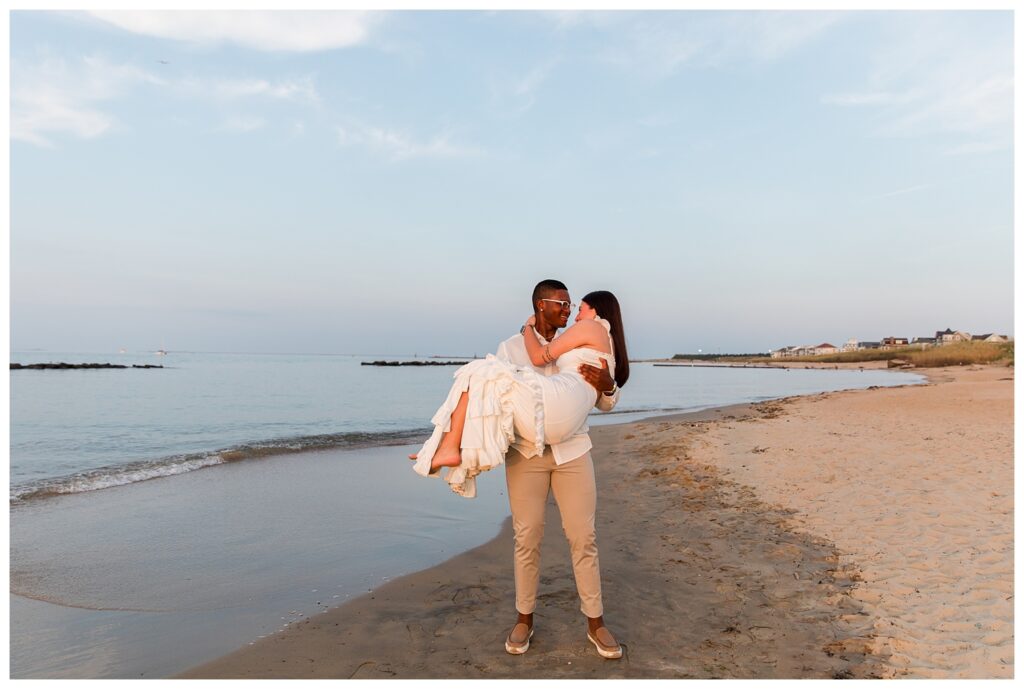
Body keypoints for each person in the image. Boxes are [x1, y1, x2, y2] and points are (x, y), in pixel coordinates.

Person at [410, 281, 629, 659]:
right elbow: (489, 401)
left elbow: (602, 399)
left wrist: (609, 387)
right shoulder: (510, 348)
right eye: (561, 303)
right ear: (539, 305)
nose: (568, 309)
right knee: (526, 537)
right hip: (526, 455)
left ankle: (596, 623)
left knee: (583, 537)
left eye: (570, 303)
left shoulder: (576, 339)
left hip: (572, 451)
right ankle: (524, 618)